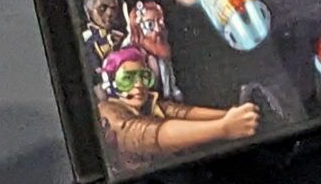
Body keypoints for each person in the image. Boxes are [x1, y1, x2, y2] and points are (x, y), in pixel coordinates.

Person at [97, 47, 258, 172]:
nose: (138, 85)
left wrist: (234, 114)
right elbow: (147, 135)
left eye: (143, 77)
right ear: (110, 83)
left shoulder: (149, 104)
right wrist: (223, 128)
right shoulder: (108, 112)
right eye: (127, 79)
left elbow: (182, 113)